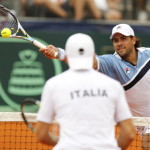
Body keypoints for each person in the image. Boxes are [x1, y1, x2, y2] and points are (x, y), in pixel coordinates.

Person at [39, 24, 150, 150]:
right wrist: (58, 53)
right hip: (143, 120)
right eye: (115, 40)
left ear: (133, 40)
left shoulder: (148, 54)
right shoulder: (111, 62)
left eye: (123, 39)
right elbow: (89, 61)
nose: (119, 43)